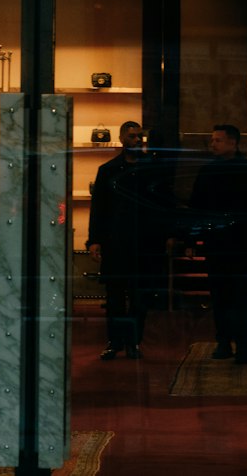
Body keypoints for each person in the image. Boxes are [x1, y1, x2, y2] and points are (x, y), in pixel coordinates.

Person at [188, 123, 247, 364]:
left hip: (240, 244)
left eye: (217, 140)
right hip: (220, 243)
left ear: (233, 143)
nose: (212, 144)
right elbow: (197, 208)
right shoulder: (208, 171)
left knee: (239, 296)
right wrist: (193, 238)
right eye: (212, 140)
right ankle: (226, 342)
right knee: (222, 295)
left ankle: (240, 344)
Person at [87, 119, 152, 360]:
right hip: (116, 241)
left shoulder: (148, 167)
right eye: (133, 136)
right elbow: (99, 208)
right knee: (115, 296)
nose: (137, 140)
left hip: (141, 242)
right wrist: (95, 240)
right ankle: (116, 341)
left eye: (139, 137)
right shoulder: (108, 170)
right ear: (123, 138)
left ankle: (133, 342)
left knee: (138, 296)